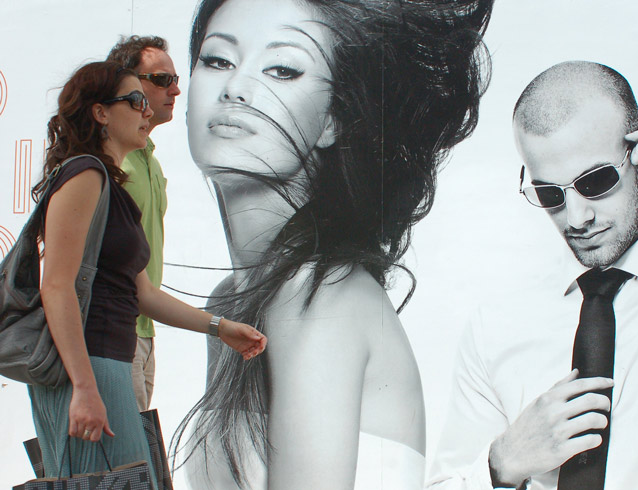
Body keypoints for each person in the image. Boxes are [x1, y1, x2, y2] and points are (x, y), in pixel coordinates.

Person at [174, 0, 492, 488]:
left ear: (333, 120)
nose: (236, 88)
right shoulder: (232, 301)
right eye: (218, 60)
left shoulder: (318, 295)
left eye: (282, 69)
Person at [427, 60, 638, 490]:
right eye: (549, 194)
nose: (576, 217)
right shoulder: (497, 326)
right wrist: (502, 463)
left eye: (595, 181)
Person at [30, 61, 266, 485]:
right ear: (101, 112)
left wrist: (220, 327)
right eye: (136, 100)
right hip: (87, 366)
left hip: (109, 363)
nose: (146, 111)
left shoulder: (113, 188)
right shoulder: (84, 175)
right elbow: (57, 286)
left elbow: (143, 294)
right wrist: (84, 387)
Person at [106, 35, 181, 411]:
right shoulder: (109, 162)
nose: (176, 90)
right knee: (121, 465)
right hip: (111, 334)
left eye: (175, 78)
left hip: (143, 329)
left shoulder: (147, 156)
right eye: (162, 79)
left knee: (133, 465)